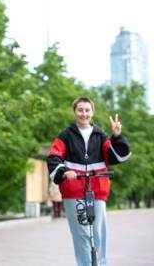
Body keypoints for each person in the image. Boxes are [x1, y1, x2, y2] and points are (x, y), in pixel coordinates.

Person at [47, 97, 131, 266]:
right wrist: (64, 171)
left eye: (87, 110)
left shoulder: (100, 135)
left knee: (98, 233)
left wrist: (116, 136)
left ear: (92, 112)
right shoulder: (66, 135)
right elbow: (54, 157)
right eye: (80, 110)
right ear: (74, 112)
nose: (84, 113)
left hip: (97, 190)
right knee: (82, 234)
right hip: (73, 190)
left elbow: (117, 156)